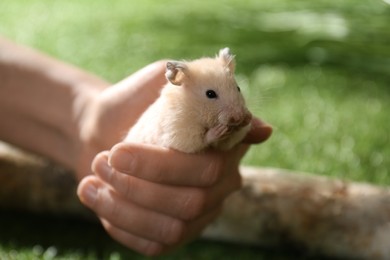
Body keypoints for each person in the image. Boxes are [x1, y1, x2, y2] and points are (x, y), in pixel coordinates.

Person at [0, 36, 272, 256]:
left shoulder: (215, 92)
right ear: (179, 81)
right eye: (212, 96)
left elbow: (228, 140)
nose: (236, 107)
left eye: (235, 90)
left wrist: (87, 117)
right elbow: (180, 144)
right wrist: (210, 138)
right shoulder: (176, 109)